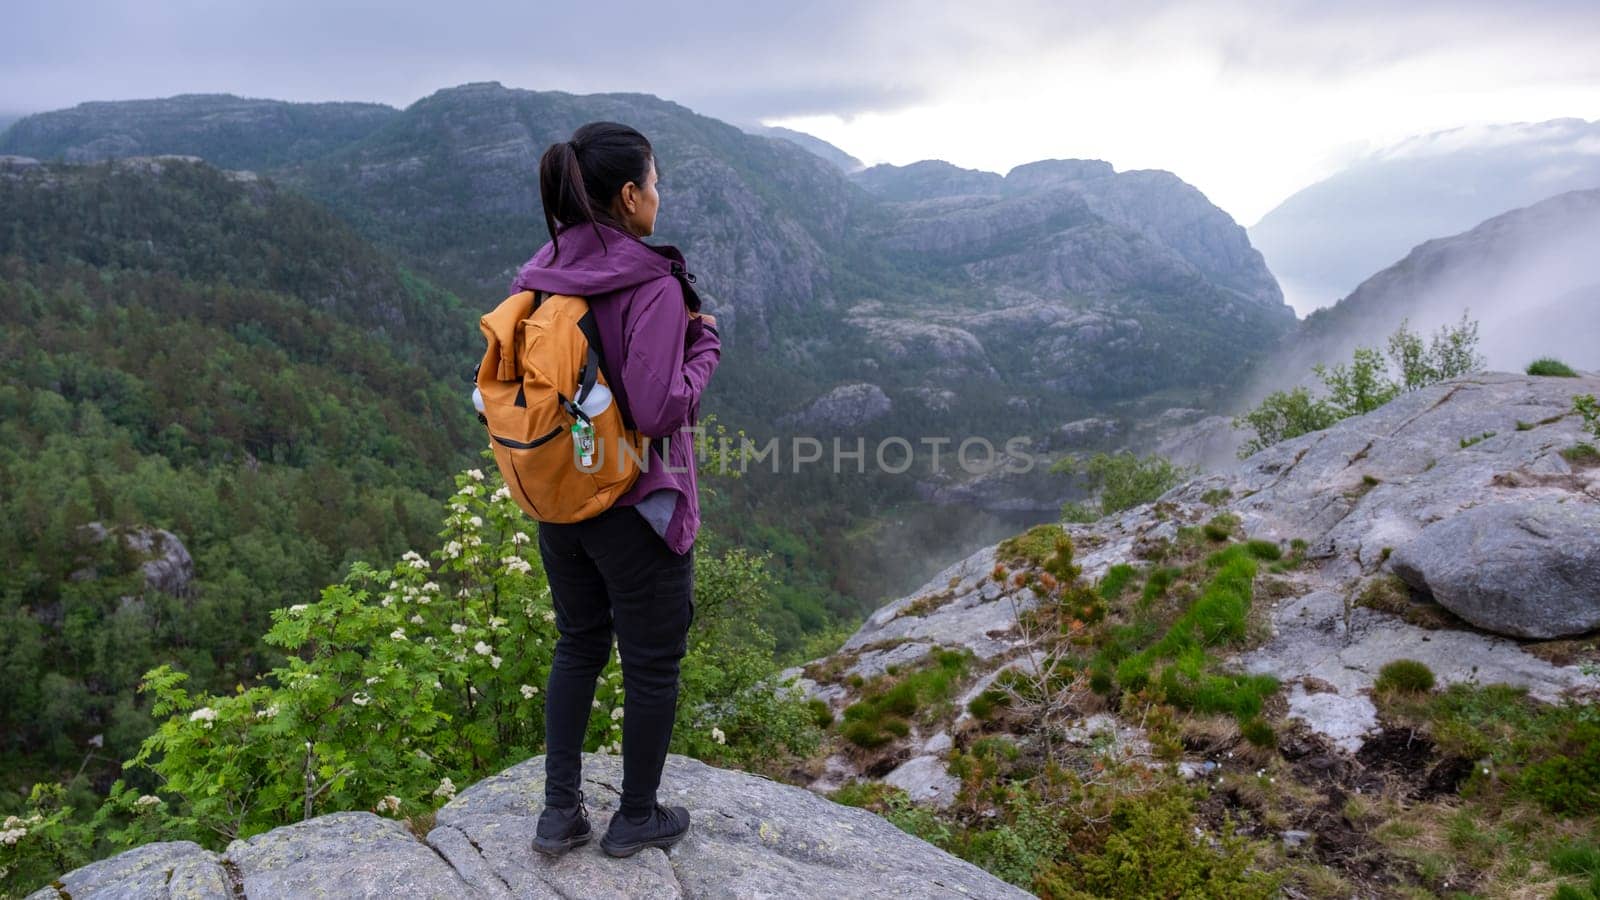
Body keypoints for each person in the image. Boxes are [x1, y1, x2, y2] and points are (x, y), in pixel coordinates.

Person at [510, 122, 720, 858]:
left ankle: (559, 813)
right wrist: (704, 349)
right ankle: (635, 816)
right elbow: (660, 408)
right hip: (633, 508)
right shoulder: (651, 284)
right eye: (655, 183)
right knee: (653, 663)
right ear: (629, 197)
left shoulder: (544, 270)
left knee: (578, 646)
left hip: (560, 499)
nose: (660, 197)